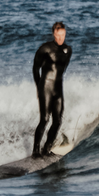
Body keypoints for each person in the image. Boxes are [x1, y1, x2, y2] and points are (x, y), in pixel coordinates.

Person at [32, 21, 72, 158]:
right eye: (58, 35)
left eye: (63, 35)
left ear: (65, 33)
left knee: (58, 121)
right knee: (44, 119)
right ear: (54, 34)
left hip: (58, 88)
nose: (60, 38)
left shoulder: (68, 50)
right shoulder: (45, 49)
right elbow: (35, 68)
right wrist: (39, 87)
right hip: (45, 87)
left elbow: (63, 69)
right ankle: (35, 151)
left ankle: (47, 148)